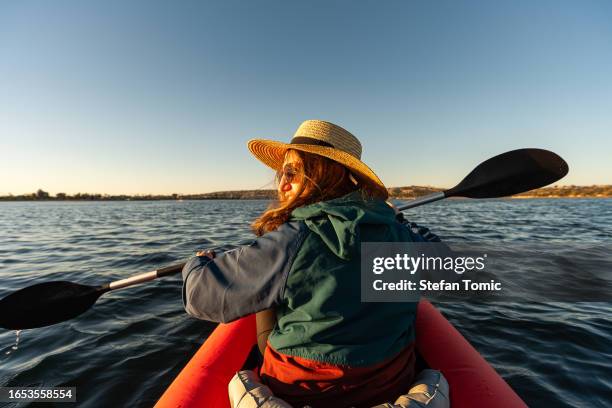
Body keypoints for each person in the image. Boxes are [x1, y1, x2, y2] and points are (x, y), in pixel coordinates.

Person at [182, 120, 431, 408]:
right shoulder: (402, 235)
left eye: (292, 173)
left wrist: (197, 262)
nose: (283, 184)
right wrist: (400, 220)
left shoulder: (292, 240)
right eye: (281, 174)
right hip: (389, 386)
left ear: (323, 175)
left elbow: (200, 297)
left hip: (301, 393)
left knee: (268, 302)